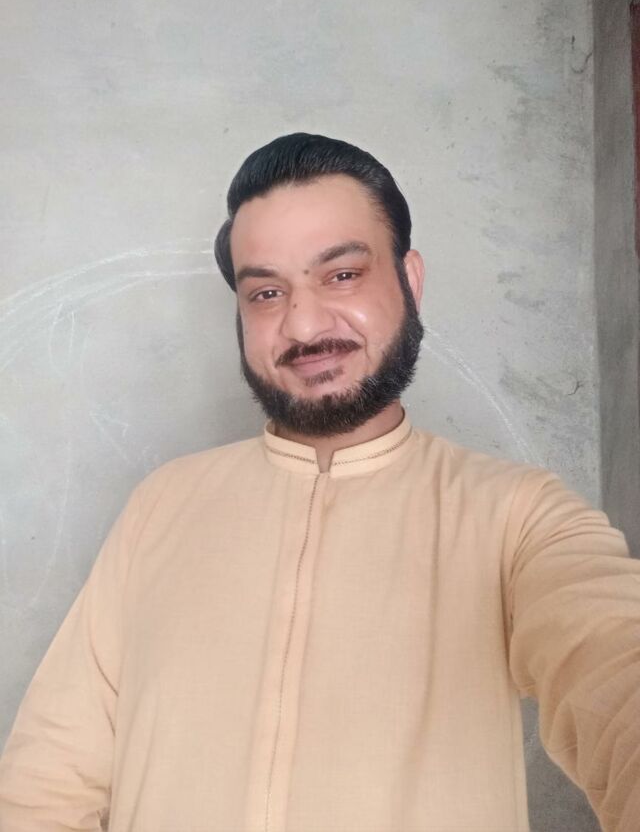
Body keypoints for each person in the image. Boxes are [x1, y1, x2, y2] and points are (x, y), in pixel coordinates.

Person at [0, 132, 638, 832]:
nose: (303, 325)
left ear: (410, 280)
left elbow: (616, 673)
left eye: (342, 275)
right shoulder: (162, 504)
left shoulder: (519, 516)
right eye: (267, 292)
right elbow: (44, 787)